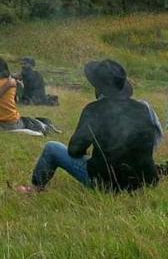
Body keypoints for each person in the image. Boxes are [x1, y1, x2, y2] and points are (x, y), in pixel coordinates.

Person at [18, 60, 162, 194]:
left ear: (98, 87)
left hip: (107, 184)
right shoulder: (142, 108)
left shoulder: (93, 110)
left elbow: (74, 150)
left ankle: (35, 188)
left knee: (52, 148)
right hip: (145, 181)